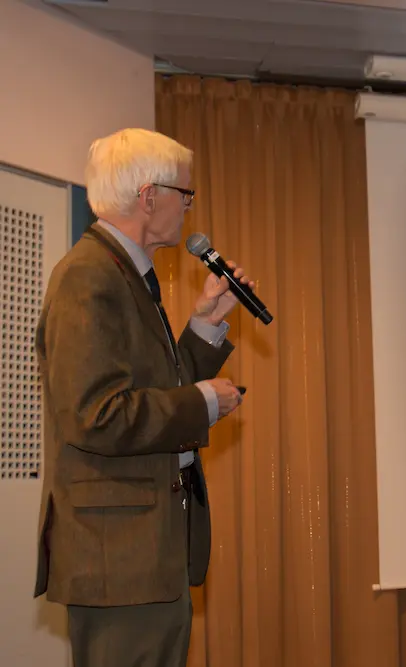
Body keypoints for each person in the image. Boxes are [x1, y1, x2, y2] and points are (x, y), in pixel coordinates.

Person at [33, 128, 253, 667]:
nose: (189, 205)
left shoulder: (125, 271)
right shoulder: (88, 276)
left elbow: (151, 393)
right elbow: (96, 415)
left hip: (144, 553)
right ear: (149, 196)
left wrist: (203, 327)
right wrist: (202, 404)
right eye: (185, 193)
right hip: (119, 558)